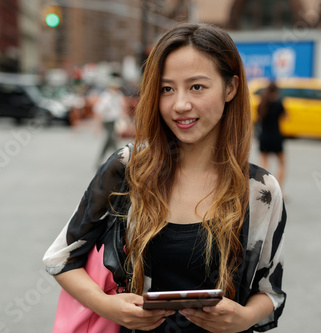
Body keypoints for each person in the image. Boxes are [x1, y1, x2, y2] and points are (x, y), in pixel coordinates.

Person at [43, 23, 287, 333]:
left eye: (197, 87)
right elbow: (61, 258)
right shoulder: (128, 169)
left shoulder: (260, 190)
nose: (180, 104)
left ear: (231, 88)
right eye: (166, 89)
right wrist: (108, 307)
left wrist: (243, 317)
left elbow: (270, 291)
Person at [256, 82, 287, 190]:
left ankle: (264, 189)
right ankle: (279, 191)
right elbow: (286, 117)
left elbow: (258, 119)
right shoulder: (278, 103)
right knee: (282, 164)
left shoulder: (262, 103)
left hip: (263, 137)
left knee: (264, 165)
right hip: (276, 137)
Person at [94, 77, 126, 164]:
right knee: (112, 139)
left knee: (108, 142)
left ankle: (100, 161)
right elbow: (99, 110)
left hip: (116, 120)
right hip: (108, 121)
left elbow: (122, 107)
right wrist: (97, 126)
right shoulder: (106, 97)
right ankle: (120, 160)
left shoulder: (119, 95)